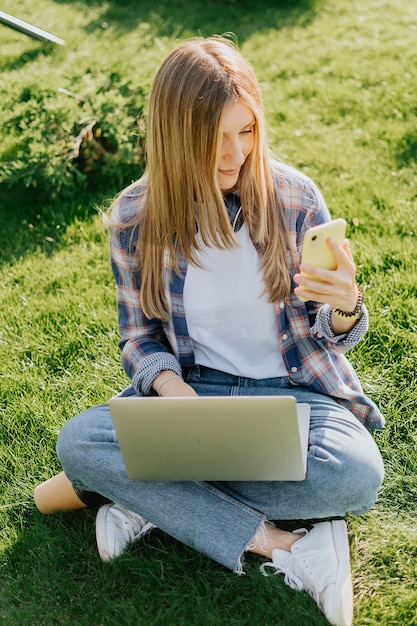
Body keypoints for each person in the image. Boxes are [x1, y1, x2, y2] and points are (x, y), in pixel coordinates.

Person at [34, 36, 384, 626]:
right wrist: (173, 395)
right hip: (193, 392)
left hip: (293, 395)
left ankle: (154, 500)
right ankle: (282, 544)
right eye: (214, 137)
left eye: (246, 131)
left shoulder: (295, 198)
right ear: (175, 135)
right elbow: (138, 337)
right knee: (79, 442)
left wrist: (346, 305)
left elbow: (332, 334)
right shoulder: (133, 218)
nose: (236, 154)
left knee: (356, 474)